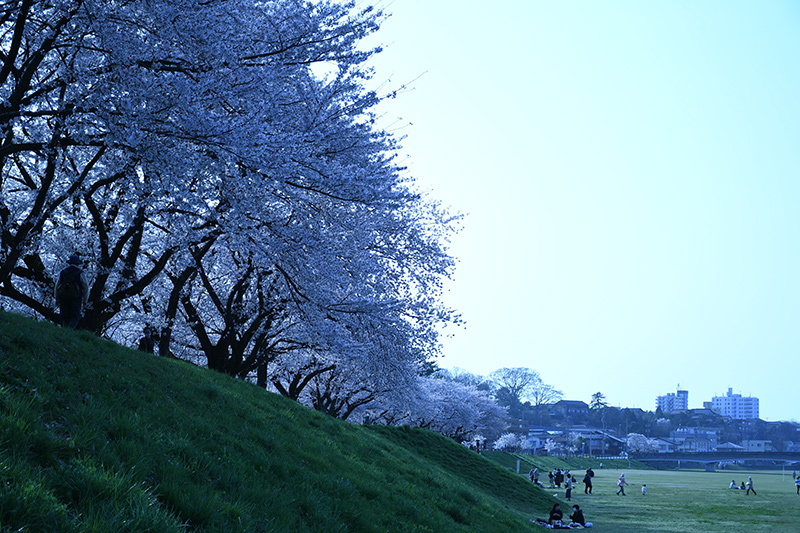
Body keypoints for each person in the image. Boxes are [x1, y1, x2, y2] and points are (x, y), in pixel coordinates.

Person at [54, 254, 89, 330]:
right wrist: (85, 300)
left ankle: (64, 330)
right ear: (78, 263)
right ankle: (70, 330)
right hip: (76, 298)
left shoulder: (63, 272)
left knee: (64, 316)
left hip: (64, 297)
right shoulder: (80, 273)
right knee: (75, 316)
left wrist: (57, 299)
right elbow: (85, 287)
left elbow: (57, 286)